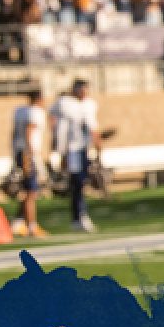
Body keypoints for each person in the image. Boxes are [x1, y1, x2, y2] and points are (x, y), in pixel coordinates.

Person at [51, 79, 101, 233]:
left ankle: (79, 216)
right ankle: (79, 216)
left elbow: (93, 127)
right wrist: (60, 150)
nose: (84, 93)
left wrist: (98, 147)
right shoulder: (66, 103)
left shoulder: (89, 104)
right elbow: (58, 124)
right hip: (72, 148)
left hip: (84, 148)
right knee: (77, 183)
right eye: (81, 89)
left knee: (82, 182)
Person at [11, 90, 48, 238]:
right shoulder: (35, 112)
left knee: (28, 190)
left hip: (20, 152)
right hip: (28, 154)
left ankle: (18, 221)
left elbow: (13, 134)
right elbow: (28, 132)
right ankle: (31, 225)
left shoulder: (20, 111)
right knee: (31, 191)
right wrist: (34, 156)